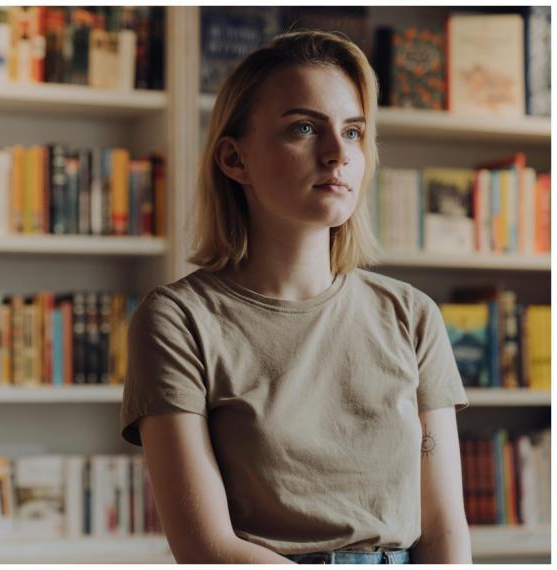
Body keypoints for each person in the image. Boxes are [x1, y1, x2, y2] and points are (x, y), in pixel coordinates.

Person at [120, 31, 471, 564]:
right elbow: (205, 547)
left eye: (353, 132)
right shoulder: (178, 320)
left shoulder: (411, 315)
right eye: (304, 128)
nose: (337, 153)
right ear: (235, 159)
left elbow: (445, 535)